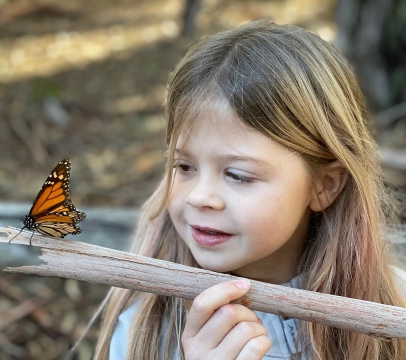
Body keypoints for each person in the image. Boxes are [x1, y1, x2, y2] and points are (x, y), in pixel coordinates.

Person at [93, 20, 406, 359]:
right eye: (184, 167)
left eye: (238, 175)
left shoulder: (393, 311)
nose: (199, 196)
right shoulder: (146, 335)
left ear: (325, 185)